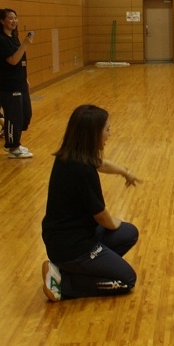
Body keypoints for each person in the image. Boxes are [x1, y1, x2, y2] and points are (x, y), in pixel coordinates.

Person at [40, 104, 142, 302]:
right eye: (107, 130)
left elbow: (101, 163)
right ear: (93, 134)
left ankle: (72, 270)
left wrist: (125, 172)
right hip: (72, 246)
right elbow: (102, 217)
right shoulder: (82, 171)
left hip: (66, 236)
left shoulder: (69, 156)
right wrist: (115, 222)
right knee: (126, 280)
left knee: (129, 233)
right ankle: (65, 283)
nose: (109, 134)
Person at [0, 8, 33, 158]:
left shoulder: (14, 38)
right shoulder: (1, 40)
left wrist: (25, 79)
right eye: (10, 18)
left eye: (15, 18)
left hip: (20, 83)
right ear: (2, 21)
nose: (14, 21)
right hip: (9, 86)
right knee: (13, 116)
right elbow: (13, 60)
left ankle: (16, 142)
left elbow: (20, 62)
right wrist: (25, 44)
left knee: (25, 115)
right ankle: (12, 146)